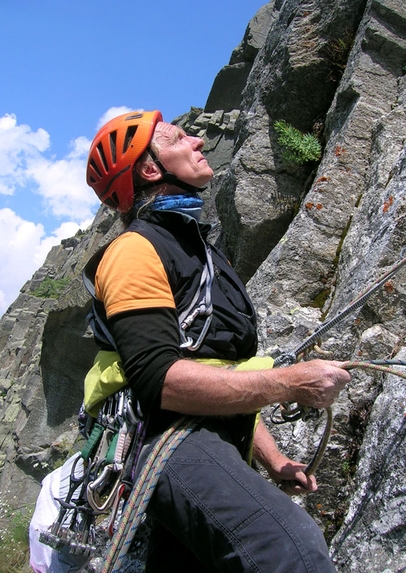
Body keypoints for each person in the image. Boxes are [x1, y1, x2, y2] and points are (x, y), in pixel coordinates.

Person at [84, 110, 351, 572]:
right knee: (291, 549)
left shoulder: (202, 252)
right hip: (160, 440)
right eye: (180, 138)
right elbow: (160, 380)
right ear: (150, 168)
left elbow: (219, 374)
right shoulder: (133, 251)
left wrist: (273, 459)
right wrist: (289, 383)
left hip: (208, 440)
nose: (199, 141)